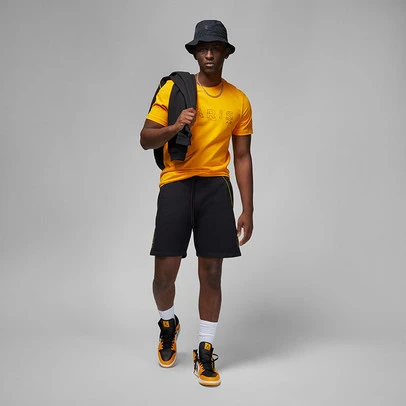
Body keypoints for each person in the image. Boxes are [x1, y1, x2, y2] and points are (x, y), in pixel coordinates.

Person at [140, 19, 254, 387]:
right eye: (203, 48)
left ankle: (205, 349)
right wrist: (175, 127)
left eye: (215, 48)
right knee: (163, 275)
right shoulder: (175, 88)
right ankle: (168, 323)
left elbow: (242, 157)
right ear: (194, 52)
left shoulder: (239, 100)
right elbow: (145, 138)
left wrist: (248, 208)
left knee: (212, 272)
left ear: (225, 53)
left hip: (215, 187)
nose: (209, 54)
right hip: (176, 183)